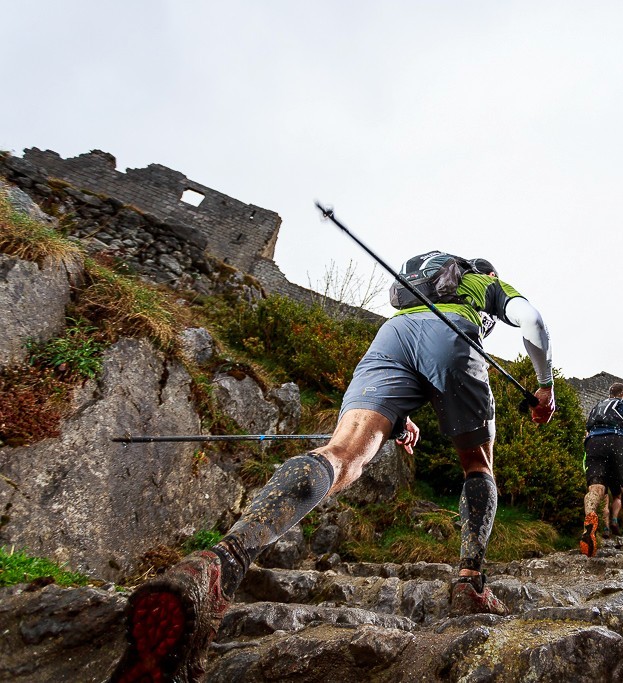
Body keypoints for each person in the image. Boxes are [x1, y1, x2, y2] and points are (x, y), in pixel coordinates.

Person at [111, 255, 556, 682]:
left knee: (342, 455)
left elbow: (419, 353)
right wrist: (545, 386)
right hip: (454, 333)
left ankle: (219, 563)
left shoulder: (416, 292)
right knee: (479, 467)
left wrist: (398, 421)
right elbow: (533, 321)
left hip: (391, 339)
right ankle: (470, 584)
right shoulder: (483, 281)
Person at [579, 382, 623, 556]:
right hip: (617, 439)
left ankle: (589, 527)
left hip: (593, 442)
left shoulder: (596, 408)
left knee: (596, 489)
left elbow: (586, 433)